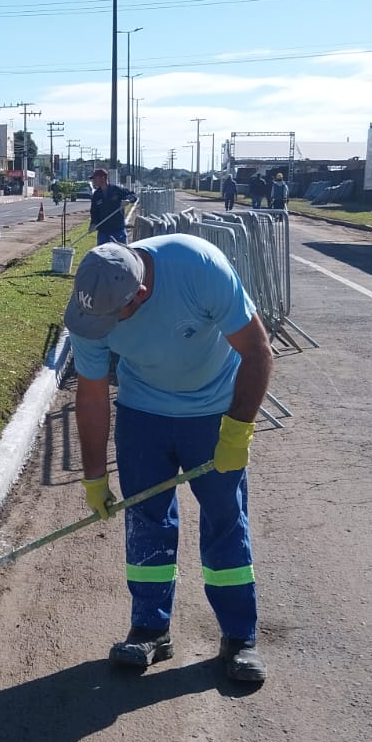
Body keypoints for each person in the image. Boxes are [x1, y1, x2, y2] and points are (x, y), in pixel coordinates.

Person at [63, 239, 274, 683]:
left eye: (111, 320)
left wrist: (237, 431)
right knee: (146, 520)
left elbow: (257, 350)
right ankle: (150, 629)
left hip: (213, 410)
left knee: (225, 520)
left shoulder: (199, 268)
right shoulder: (91, 304)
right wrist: (94, 477)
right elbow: (93, 395)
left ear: (139, 296)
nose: (100, 330)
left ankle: (240, 637)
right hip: (143, 413)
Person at [88, 167, 136, 245]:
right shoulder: (96, 195)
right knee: (102, 252)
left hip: (118, 230)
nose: (93, 181)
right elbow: (94, 212)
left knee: (121, 251)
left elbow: (132, 195)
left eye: (95, 178)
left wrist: (128, 200)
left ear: (103, 178)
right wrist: (93, 224)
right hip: (103, 232)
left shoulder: (117, 190)